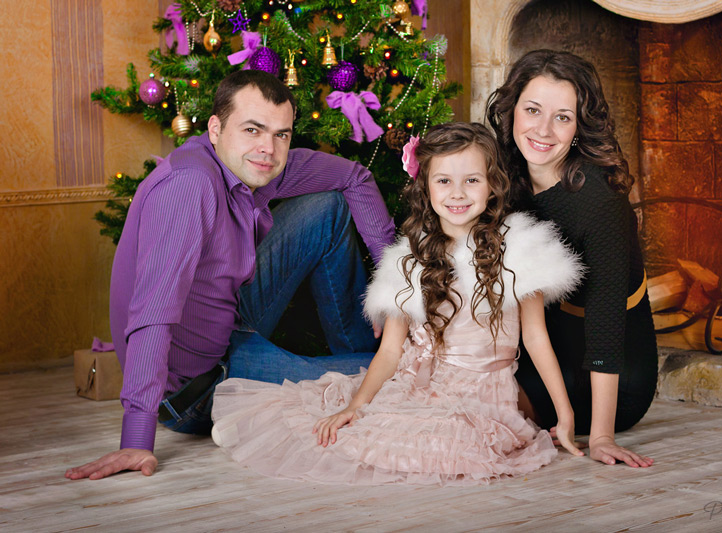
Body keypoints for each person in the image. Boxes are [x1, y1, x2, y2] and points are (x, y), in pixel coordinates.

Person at [210, 122, 585, 486]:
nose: (457, 193)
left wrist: (564, 414)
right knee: (358, 430)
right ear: (426, 186)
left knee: (446, 446)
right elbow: (391, 350)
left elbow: (535, 338)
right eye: (444, 181)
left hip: (485, 393)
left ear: (492, 185)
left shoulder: (519, 251)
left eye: (471, 180)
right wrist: (356, 405)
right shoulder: (408, 259)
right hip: (418, 382)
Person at [65, 70, 395, 481]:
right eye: (252, 129)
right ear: (216, 128)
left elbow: (354, 177)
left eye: (281, 134)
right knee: (390, 375)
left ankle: (370, 350)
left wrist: (390, 288)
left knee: (326, 209)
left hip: (230, 319)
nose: (268, 148)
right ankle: (372, 364)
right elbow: (153, 314)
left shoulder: (254, 163)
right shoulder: (190, 185)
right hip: (198, 386)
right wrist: (136, 437)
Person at [487, 49, 658, 468]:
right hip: (540, 341)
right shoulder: (504, 173)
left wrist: (601, 436)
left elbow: (606, 324)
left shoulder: (600, 202)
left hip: (607, 373)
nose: (543, 129)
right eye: (532, 110)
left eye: (562, 117)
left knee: (481, 404)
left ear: (579, 126)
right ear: (512, 111)